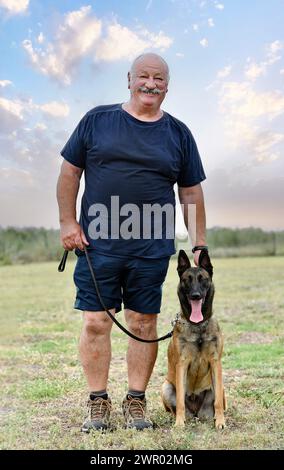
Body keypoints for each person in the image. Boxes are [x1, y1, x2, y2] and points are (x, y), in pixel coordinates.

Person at [56, 52, 207, 432]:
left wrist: (200, 242)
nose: (150, 84)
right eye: (144, 76)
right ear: (129, 79)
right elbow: (70, 171)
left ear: (167, 86)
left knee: (143, 322)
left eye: (158, 78)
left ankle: (136, 401)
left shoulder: (178, 133)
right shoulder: (97, 121)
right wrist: (68, 222)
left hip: (150, 248)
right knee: (95, 323)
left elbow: (190, 192)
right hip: (98, 245)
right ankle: (98, 401)